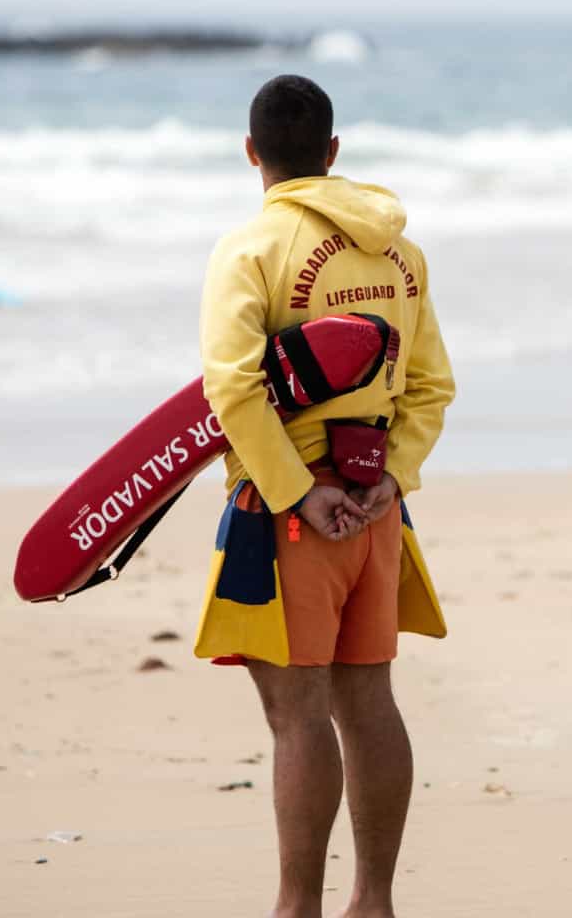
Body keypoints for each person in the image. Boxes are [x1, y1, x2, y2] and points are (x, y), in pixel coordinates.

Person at [196, 74, 456, 918]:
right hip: (377, 512)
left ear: (252, 154)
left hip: (289, 519)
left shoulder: (250, 251)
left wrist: (297, 492)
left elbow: (231, 392)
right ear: (333, 152)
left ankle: (295, 909)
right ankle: (374, 904)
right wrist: (389, 478)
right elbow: (430, 386)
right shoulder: (399, 254)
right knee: (369, 701)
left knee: (297, 718)